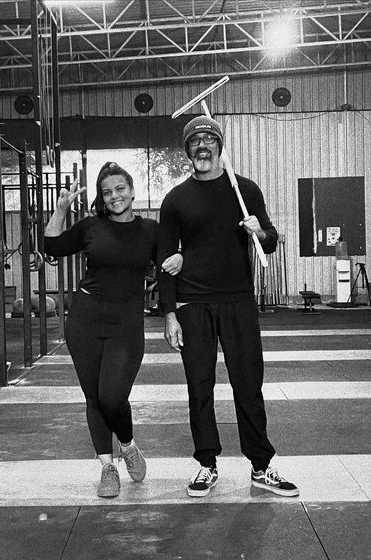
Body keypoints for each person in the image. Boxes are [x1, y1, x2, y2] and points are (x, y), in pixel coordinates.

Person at [157, 116, 299, 498]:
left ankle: (261, 466)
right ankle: (207, 464)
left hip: (238, 300)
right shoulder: (175, 200)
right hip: (192, 304)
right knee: (199, 386)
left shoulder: (244, 190)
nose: (202, 146)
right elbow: (165, 260)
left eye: (209, 139)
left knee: (248, 384)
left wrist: (258, 231)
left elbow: (270, 241)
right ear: (188, 150)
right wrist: (169, 314)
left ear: (220, 146)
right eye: (195, 141)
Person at [44, 162, 182, 498]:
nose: (114, 196)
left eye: (120, 189)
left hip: (126, 322)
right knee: (94, 397)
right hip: (85, 318)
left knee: (112, 397)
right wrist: (60, 211)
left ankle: (128, 445)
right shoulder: (91, 226)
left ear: (132, 192)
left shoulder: (151, 230)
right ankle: (107, 467)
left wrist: (171, 313)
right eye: (107, 192)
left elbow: (167, 273)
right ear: (102, 198)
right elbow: (52, 247)